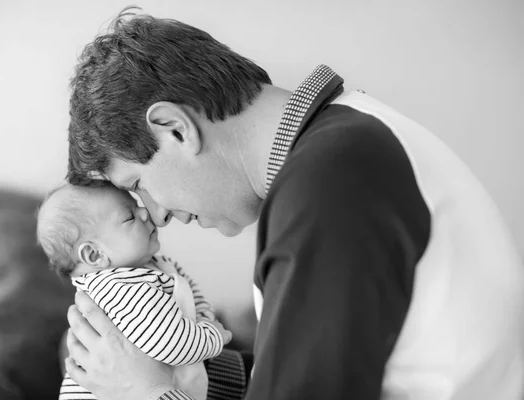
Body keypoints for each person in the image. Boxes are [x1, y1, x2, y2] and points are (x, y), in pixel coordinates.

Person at [62, 7, 524, 400]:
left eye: (139, 185)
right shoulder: (350, 135)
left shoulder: (330, 189)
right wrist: (174, 374)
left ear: (175, 128)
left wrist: (147, 392)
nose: (156, 215)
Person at [36, 183, 232, 400]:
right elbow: (170, 344)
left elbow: (189, 293)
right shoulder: (120, 290)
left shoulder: (153, 267)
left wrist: (205, 318)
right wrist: (213, 337)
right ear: (94, 255)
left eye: (138, 205)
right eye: (129, 217)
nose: (145, 213)